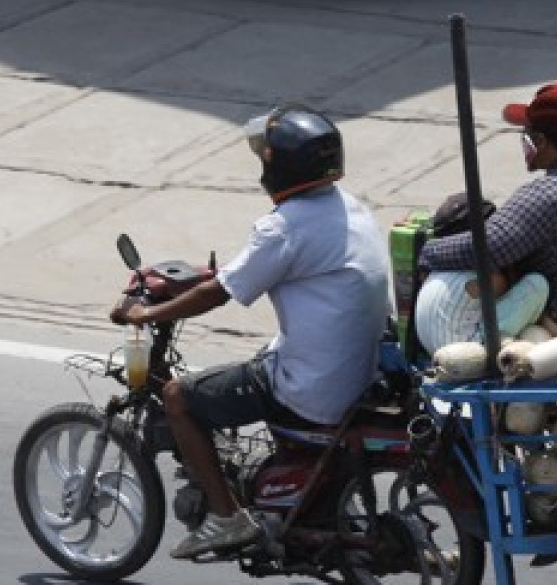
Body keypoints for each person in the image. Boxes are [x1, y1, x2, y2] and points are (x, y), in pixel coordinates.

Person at [110, 104, 391, 560]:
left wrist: (144, 316)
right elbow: (243, 273)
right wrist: (208, 276)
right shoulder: (350, 207)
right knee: (263, 355)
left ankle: (227, 518)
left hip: (314, 387)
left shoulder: (283, 228)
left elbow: (217, 295)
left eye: (265, 156)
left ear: (280, 168)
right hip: (358, 371)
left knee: (180, 397)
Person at [415, 83, 557, 351]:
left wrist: (426, 250)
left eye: (525, 134)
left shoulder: (546, 196)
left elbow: (488, 247)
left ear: (540, 141)